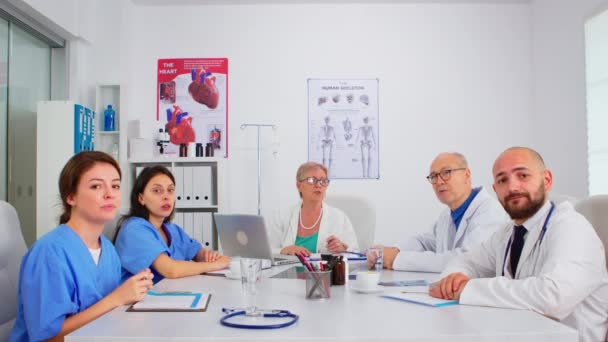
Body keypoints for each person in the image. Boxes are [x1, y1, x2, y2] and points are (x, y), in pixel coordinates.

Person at [430, 147, 608, 342]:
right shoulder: (507, 233)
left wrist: (468, 289)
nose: (512, 187)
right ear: (496, 190)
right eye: (502, 180)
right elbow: (467, 260)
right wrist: (453, 279)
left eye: (522, 175)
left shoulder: (572, 228)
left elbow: (552, 298)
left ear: (546, 180)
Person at [9, 151, 153, 342]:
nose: (110, 194)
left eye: (116, 186)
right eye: (96, 186)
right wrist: (117, 298)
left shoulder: (108, 250)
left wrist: (133, 291)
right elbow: (49, 338)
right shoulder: (49, 253)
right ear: (71, 197)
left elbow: (108, 312)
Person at [381, 152, 509, 272]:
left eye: (446, 172)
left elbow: (465, 260)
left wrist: (397, 259)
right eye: (433, 176)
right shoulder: (447, 214)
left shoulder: (490, 211)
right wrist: (392, 250)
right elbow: (425, 242)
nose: (439, 181)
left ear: (467, 175)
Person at [114, 165, 230, 284]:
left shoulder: (172, 229)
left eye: (170, 190)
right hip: (139, 300)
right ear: (141, 198)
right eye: (157, 191)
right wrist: (215, 265)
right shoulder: (134, 229)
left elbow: (197, 252)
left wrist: (209, 256)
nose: (166, 196)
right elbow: (170, 270)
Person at [269, 161, 359, 256]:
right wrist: (284, 250)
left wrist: (342, 249)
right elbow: (266, 252)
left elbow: (356, 254)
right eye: (312, 180)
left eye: (323, 181)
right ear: (299, 186)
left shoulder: (339, 218)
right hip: (288, 270)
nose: (318, 185)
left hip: (326, 271)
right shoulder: (281, 216)